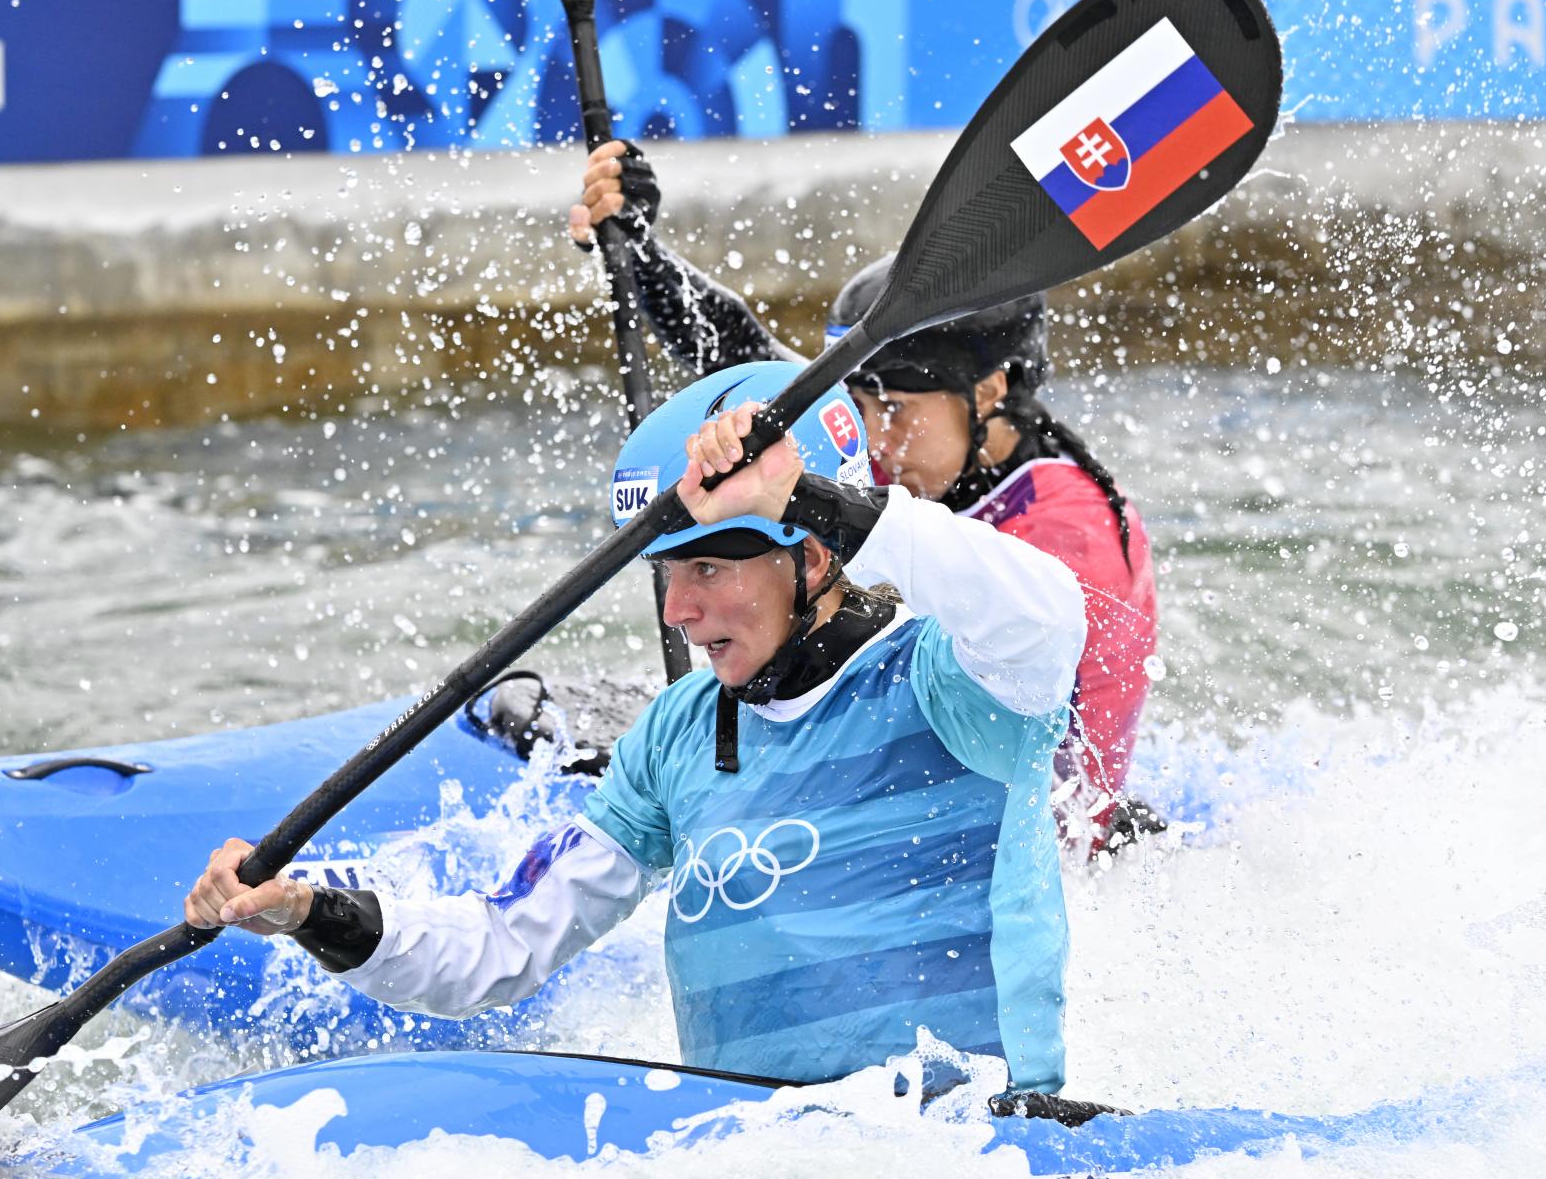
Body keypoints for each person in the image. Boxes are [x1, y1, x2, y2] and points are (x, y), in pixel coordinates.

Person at [185, 360, 1086, 1095]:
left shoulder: (947, 684)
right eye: (665, 575)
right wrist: (308, 910)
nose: (682, 612)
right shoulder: (678, 733)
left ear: (813, 559)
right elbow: (502, 946)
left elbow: (1047, 617)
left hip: (968, 1144)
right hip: (764, 1153)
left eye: (704, 567)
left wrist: (807, 495)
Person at [569, 141, 1162, 854]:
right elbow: (751, 373)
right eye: (862, 405)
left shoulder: (1067, 534)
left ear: (989, 392)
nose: (872, 441)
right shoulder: (924, 455)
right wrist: (639, 253)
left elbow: (1007, 739)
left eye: (898, 411)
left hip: (1032, 848)